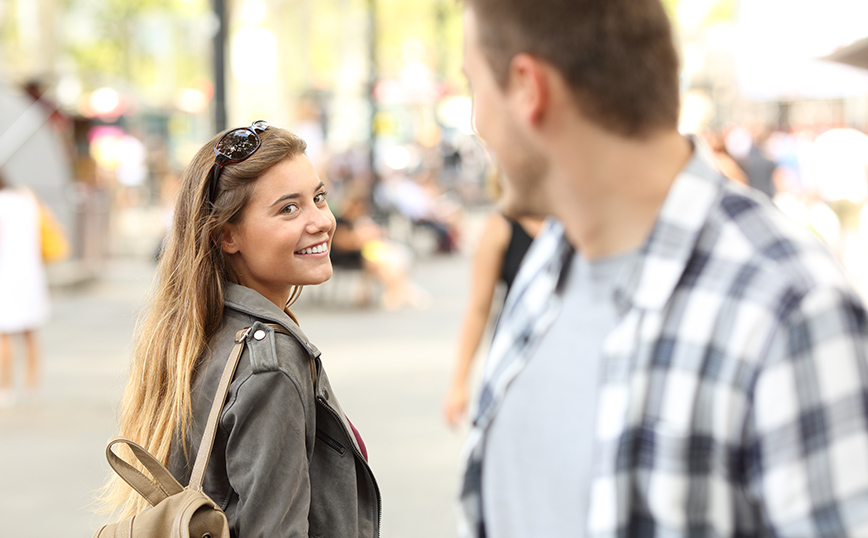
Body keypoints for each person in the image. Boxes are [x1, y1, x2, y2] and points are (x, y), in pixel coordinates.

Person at [458, 1, 868, 537]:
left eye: (473, 85)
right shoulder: (548, 264)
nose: (475, 122)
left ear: (527, 86)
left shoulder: (788, 306)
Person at [98, 122, 381, 537]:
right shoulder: (271, 366)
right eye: (289, 208)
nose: (320, 221)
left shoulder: (199, 330)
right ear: (228, 235)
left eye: (318, 198)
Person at [442, 171, 543, 428]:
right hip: (518, 352)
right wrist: (459, 383)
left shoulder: (573, 219)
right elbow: (478, 309)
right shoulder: (500, 226)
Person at [0, 172, 50, 408]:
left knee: (4, 335)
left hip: (6, 275)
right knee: (30, 333)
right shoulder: (27, 197)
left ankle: (5, 387)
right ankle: (32, 385)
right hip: (31, 274)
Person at [331, 193, 426, 310]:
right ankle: (395, 292)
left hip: (365, 251)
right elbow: (343, 243)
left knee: (391, 257)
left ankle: (398, 290)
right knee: (382, 261)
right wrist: (360, 239)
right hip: (350, 256)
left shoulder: (360, 220)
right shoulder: (341, 222)